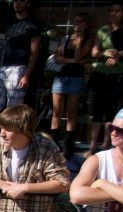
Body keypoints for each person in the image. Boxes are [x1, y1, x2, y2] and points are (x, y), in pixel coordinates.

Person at [88, 3, 123, 156]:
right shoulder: (103, 30)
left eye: (118, 10)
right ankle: (92, 147)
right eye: (111, 10)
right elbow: (94, 52)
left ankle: (106, 146)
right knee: (97, 111)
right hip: (100, 75)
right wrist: (107, 53)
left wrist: (118, 54)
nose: (114, 13)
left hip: (118, 76)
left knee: (112, 112)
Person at [0, 0, 40, 120]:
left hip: (19, 68)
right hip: (3, 68)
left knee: (13, 107)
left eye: (21, 1)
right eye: (14, 1)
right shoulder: (9, 20)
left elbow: (34, 52)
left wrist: (27, 74)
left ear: (28, 3)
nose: (17, 4)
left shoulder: (33, 24)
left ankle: (10, 134)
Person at [50, 13, 93, 158]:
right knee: (56, 111)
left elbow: (79, 56)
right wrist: (73, 61)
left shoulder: (87, 40)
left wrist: (80, 40)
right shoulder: (65, 39)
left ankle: (68, 144)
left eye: (81, 21)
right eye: (76, 21)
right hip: (61, 77)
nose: (78, 24)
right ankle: (53, 142)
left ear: (86, 25)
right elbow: (58, 58)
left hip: (75, 78)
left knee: (71, 113)